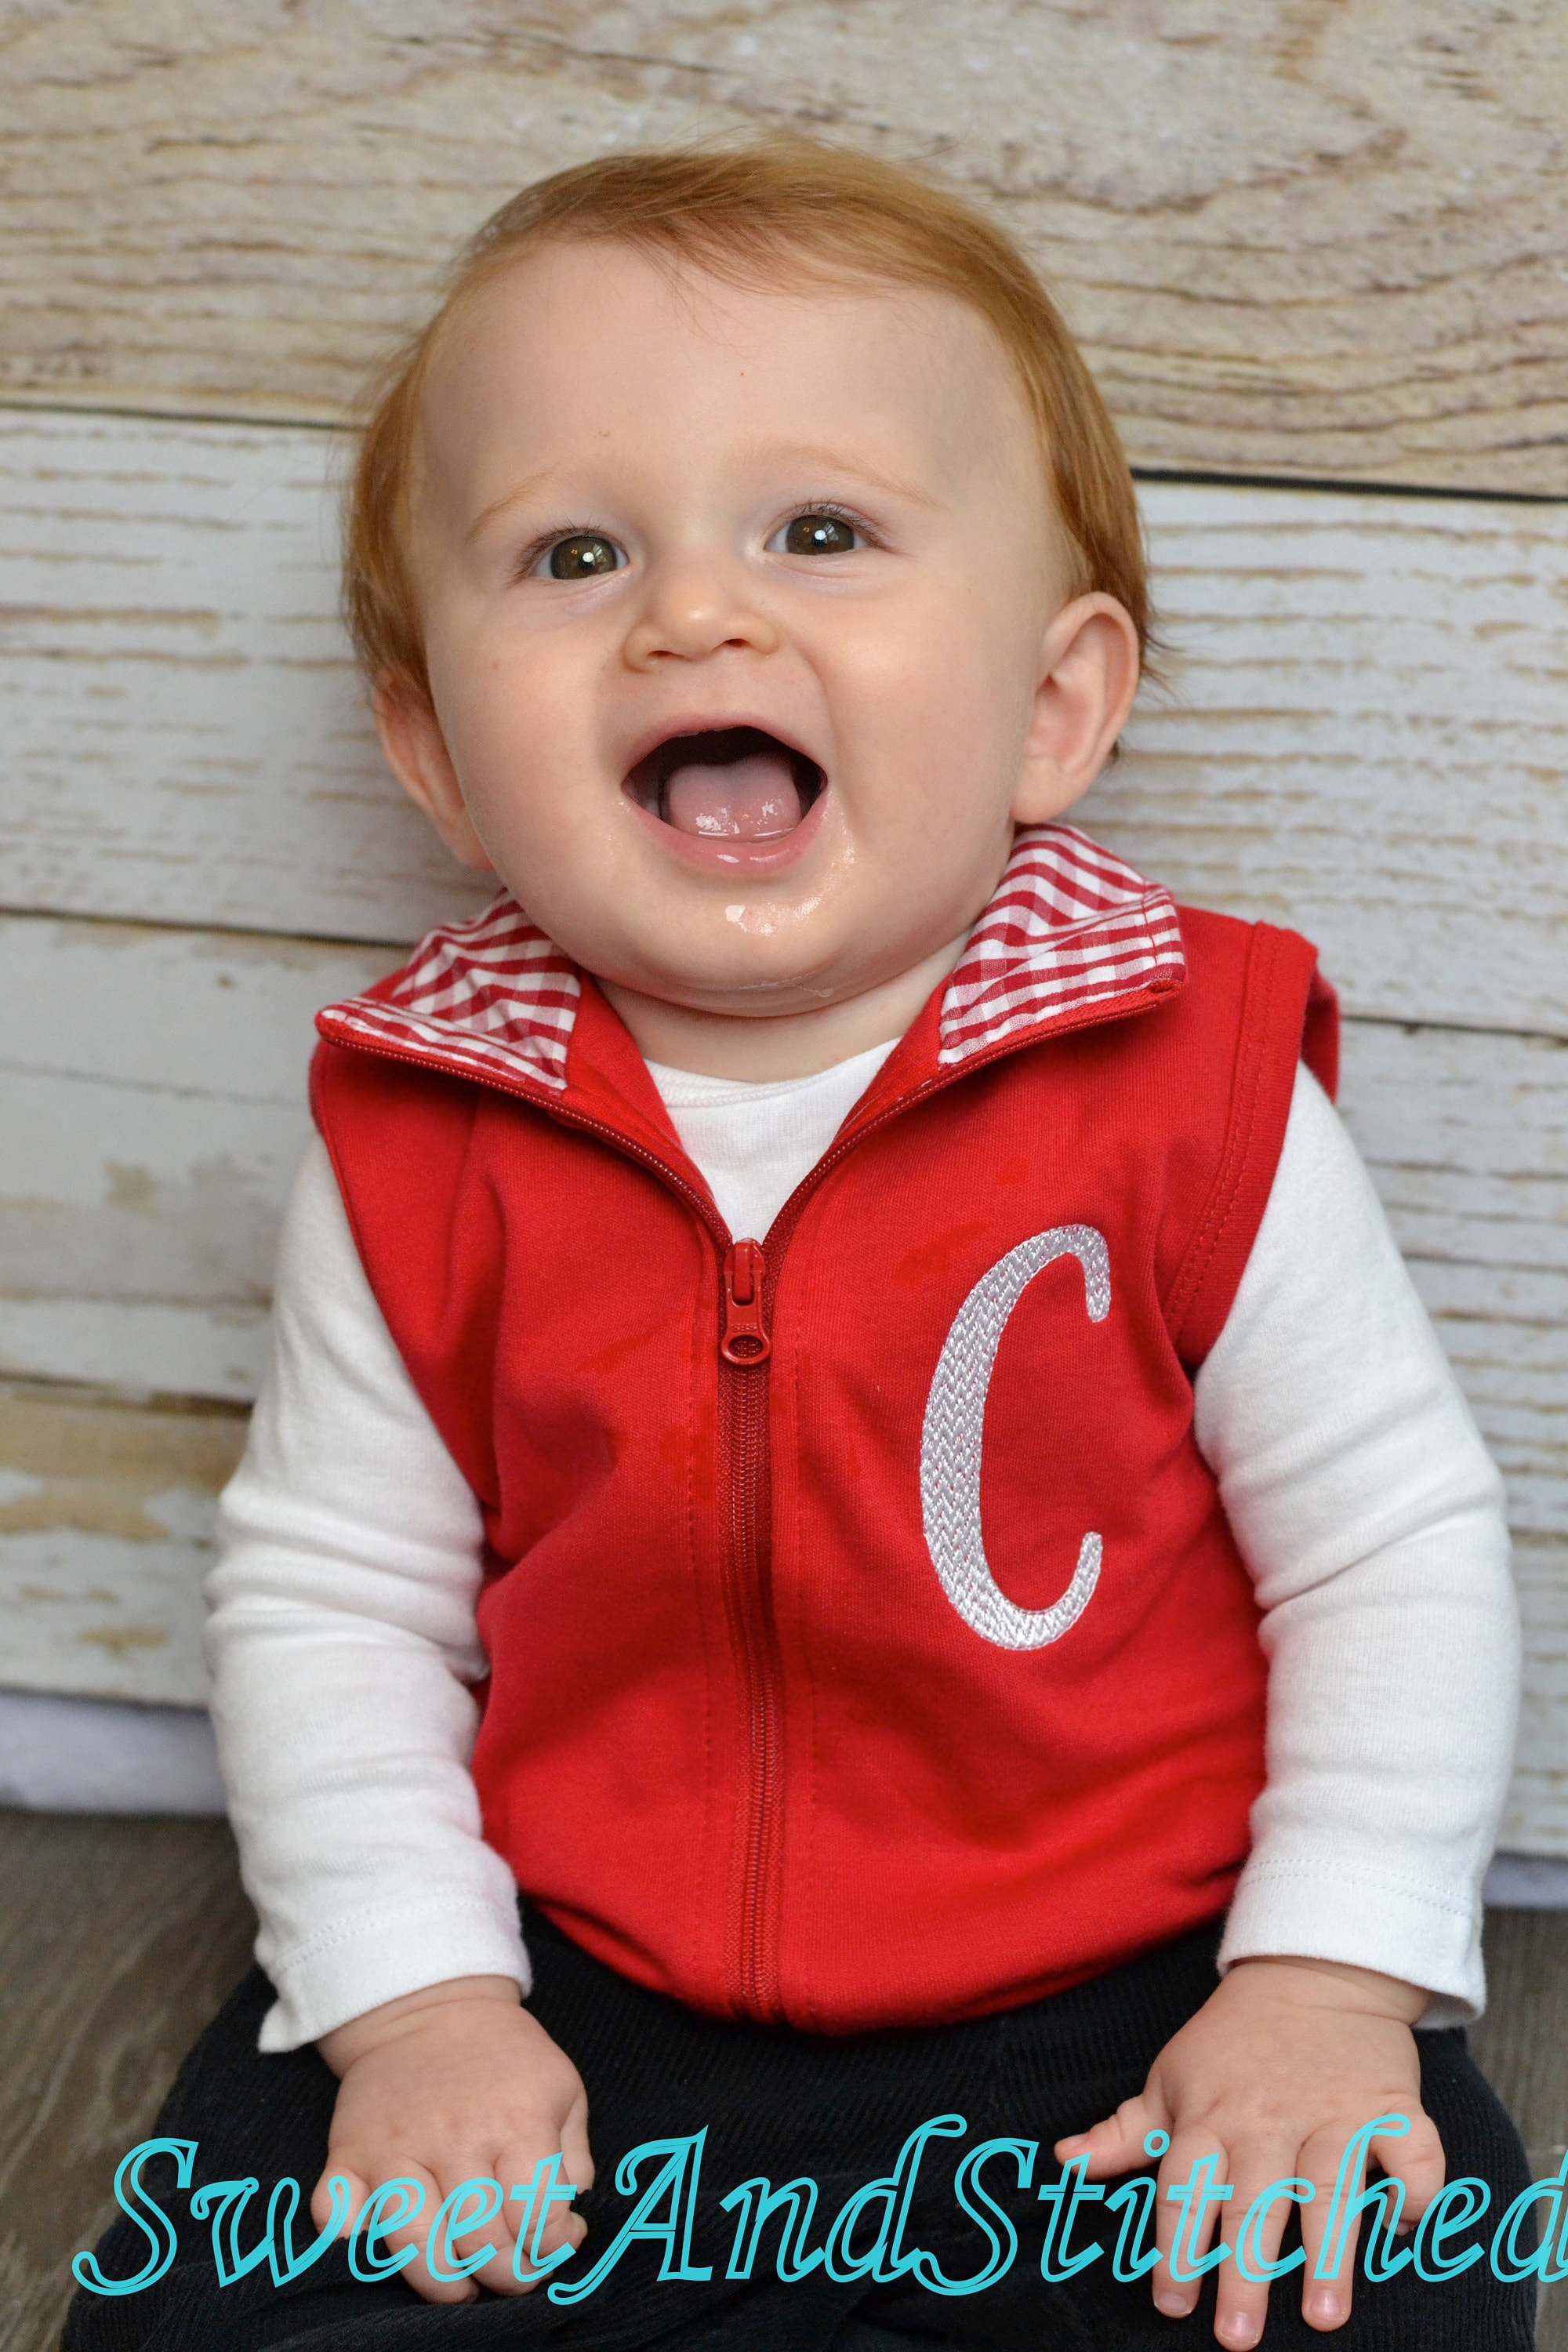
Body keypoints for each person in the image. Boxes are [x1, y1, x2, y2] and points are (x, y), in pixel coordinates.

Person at [65, 140, 1532, 2352]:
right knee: (209, 2292)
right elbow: (332, 1593)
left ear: (1055, 707)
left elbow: (1388, 1543)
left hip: (1129, 1989)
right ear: (438, 755)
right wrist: (414, 2002)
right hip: (580, 1985)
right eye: (574, 551)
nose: (692, 615)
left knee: (1374, 2279)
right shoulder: (424, 1130)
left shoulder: (1189, 1085)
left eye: (820, 532)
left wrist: (1324, 1978)